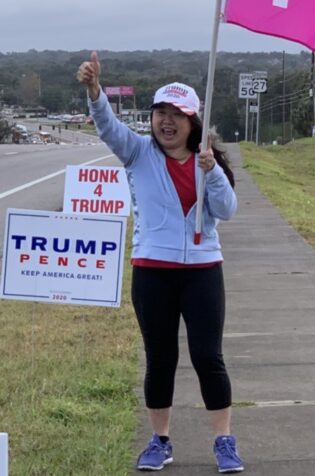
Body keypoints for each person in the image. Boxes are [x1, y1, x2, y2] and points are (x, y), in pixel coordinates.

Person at [77, 51, 244, 473]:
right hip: (153, 272)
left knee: (208, 357)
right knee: (160, 358)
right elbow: (108, 127)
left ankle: (224, 441)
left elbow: (226, 210)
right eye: (160, 113)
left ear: (193, 122)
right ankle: (160, 441)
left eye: (178, 115)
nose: (167, 121)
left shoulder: (208, 161)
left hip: (203, 272)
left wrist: (214, 171)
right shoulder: (138, 153)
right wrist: (96, 92)